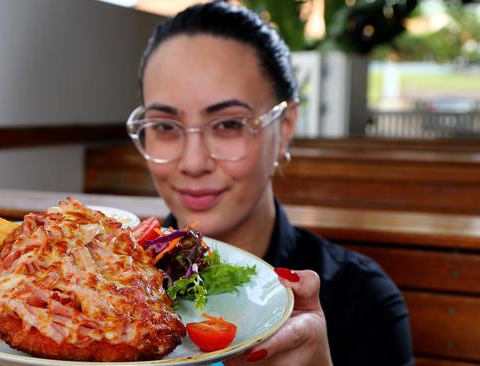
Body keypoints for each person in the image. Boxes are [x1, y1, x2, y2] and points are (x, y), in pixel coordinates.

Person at [125, 1, 413, 365]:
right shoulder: (103, 295)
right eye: (165, 127)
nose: (193, 162)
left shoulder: (361, 299)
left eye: (229, 124)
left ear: (286, 126)